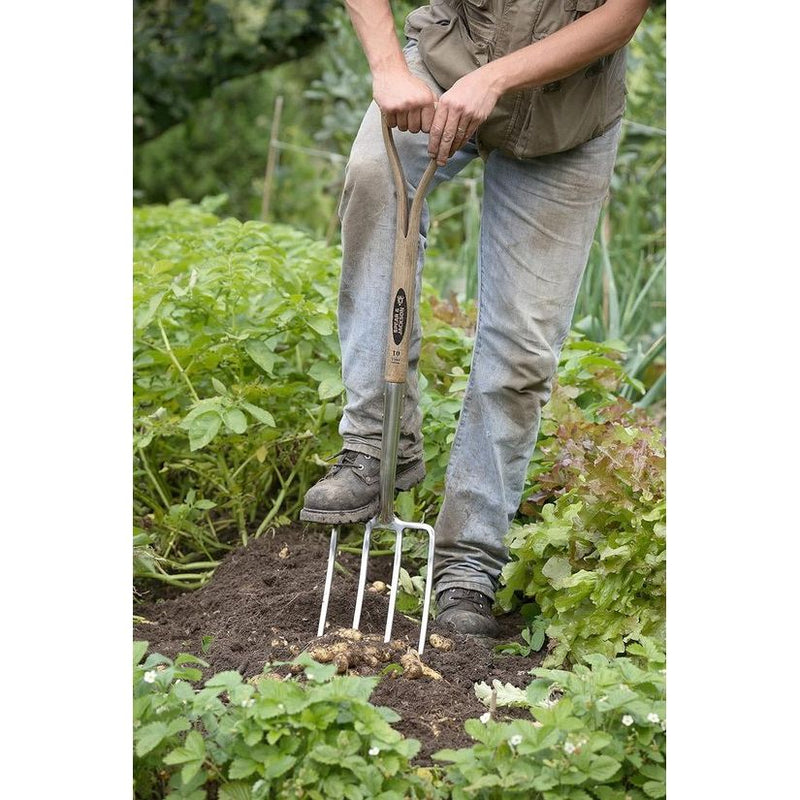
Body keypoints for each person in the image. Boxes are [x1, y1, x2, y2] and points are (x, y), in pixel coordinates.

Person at [300, 0, 652, 636]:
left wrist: (493, 79)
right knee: (375, 178)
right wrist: (386, 66)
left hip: (567, 123)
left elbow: (620, 16)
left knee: (521, 350)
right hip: (439, 70)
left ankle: (469, 560)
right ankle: (372, 448)